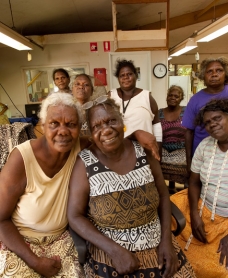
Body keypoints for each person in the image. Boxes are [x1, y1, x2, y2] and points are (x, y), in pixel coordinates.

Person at [67, 97, 196, 278]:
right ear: (90, 133)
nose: (106, 130)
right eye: (97, 126)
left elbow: (163, 195)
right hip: (109, 250)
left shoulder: (143, 151)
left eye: (112, 121)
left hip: (158, 243)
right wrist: (114, 251)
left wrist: (166, 241)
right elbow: (74, 216)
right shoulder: (85, 162)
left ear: (122, 122)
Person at [0, 93, 87, 277]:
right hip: (20, 243)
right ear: (42, 125)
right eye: (54, 124)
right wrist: (35, 262)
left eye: (71, 124)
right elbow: (1, 219)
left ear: (79, 128)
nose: (63, 131)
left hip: (62, 241)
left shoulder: (82, 147)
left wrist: (137, 134)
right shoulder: (22, 159)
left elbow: (112, 141)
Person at [171, 99, 228, 278]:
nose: (212, 125)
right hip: (201, 207)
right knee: (164, 214)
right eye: (208, 123)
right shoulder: (205, 146)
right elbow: (194, 182)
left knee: (218, 269)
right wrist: (195, 214)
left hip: (225, 224)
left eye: (217, 118)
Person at [182, 56, 228, 175]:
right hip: (203, 154)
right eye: (209, 71)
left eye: (219, 70)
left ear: (225, 74)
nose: (214, 74)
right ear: (203, 76)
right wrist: (189, 163)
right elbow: (189, 132)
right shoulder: (195, 100)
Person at [109, 59, 162, 150]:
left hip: (144, 150)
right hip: (117, 151)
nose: (126, 77)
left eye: (129, 74)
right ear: (118, 79)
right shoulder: (111, 96)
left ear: (136, 76)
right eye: (122, 75)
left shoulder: (147, 96)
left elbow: (156, 125)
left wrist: (158, 148)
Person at [159, 85, 187, 194]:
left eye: (176, 96)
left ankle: (183, 196)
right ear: (167, 97)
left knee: (187, 168)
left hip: (182, 151)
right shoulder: (159, 112)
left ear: (181, 98)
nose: (173, 98)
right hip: (163, 150)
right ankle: (166, 192)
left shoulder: (186, 111)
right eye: (170, 95)